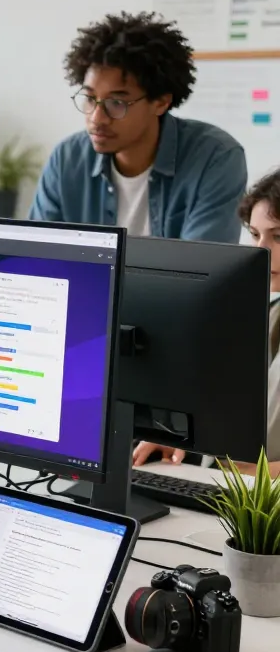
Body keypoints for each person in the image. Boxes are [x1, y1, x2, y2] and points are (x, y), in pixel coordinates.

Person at [29, 11, 246, 242]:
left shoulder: (215, 158)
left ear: (161, 102)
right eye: (90, 98)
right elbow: (36, 251)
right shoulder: (67, 159)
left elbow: (203, 262)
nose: (97, 118)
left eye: (116, 103)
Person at [133, 167, 280, 477]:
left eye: (278, 237)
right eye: (255, 235)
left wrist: (264, 473)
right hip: (225, 483)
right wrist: (181, 442)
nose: (261, 250)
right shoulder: (262, 314)